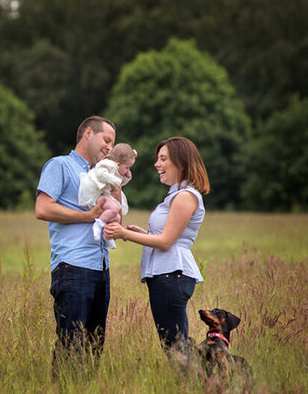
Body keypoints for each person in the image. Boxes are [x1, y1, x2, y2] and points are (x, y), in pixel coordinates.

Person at [104, 137, 209, 357]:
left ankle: (196, 387)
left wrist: (125, 234)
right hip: (166, 274)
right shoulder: (176, 195)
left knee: (176, 348)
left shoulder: (185, 196)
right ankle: (195, 386)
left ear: (180, 163)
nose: (156, 164)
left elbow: (166, 242)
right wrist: (141, 234)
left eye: (163, 159)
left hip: (172, 275)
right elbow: (168, 237)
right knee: (173, 345)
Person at [35, 116, 117, 378]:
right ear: (88, 134)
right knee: (71, 344)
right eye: (106, 140)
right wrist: (88, 215)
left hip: (100, 267)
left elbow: (114, 219)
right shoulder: (60, 165)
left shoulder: (101, 175)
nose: (109, 147)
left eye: (112, 143)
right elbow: (42, 208)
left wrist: (115, 191)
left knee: (95, 346)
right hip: (72, 266)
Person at [78, 143, 137, 249]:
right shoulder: (106, 164)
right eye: (127, 167)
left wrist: (127, 177)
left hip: (101, 195)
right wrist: (116, 180)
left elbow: (119, 184)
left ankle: (107, 236)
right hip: (93, 194)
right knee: (115, 208)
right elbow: (102, 175)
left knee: (117, 217)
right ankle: (98, 224)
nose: (128, 170)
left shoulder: (116, 169)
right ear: (118, 164)